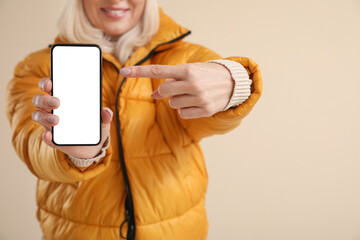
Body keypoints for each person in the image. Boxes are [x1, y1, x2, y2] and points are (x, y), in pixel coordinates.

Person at [5, 0, 262, 239]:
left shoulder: (182, 57)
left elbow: (214, 95)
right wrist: (77, 156)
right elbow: (30, 143)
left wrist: (235, 81)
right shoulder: (37, 68)